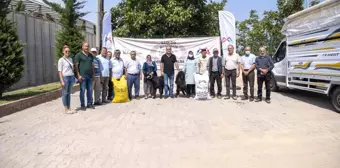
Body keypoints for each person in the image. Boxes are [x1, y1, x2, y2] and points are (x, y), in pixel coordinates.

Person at [74, 42, 95, 110]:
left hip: (90, 76)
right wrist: (78, 75)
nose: (87, 48)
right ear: (82, 47)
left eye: (88, 46)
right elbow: (76, 66)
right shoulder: (78, 55)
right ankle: (82, 105)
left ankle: (89, 104)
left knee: (90, 90)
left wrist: (93, 74)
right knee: (82, 90)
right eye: (85, 46)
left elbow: (92, 65)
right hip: (82, 76)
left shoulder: (90, 55)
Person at [58, 45, 75, 114]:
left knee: (69, 93)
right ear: (63, 52)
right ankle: (66, 109)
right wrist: (62, 80)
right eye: (66, 51)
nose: (67, 52)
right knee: (65, 93)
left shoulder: (70, 59)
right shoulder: (61, 60)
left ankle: (69, 107)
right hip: (65, 78)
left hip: (71, 77)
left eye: (68, 51)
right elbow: (60, 71)